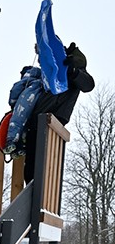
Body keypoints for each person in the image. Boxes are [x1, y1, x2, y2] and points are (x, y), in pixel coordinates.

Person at [22, 42, 94, 183]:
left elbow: (88, 85)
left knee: (46, 167)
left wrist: (73, 71)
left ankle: (39, 196)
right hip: (36, 121)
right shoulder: (47, 73)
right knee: (31, 166)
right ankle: (32, 193)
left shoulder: (71, 71)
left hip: (54, 122)